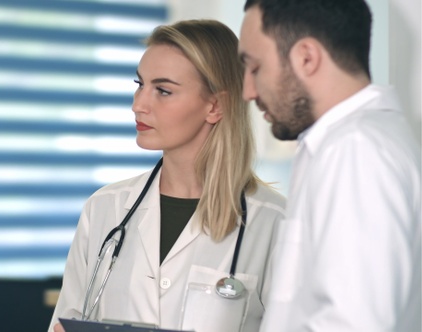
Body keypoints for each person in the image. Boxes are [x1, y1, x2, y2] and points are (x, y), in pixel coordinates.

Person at [49, 19, 286, 332]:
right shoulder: (104, 208)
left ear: (215, 106)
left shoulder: (276, 222)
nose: (138, 105)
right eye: (139, 85)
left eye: (163, 90)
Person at [237, 0, 421, 331]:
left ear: (307, 58)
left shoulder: (356, 150)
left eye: (254, 68)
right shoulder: (349, 143)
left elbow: (354, 322)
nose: (248, 91)